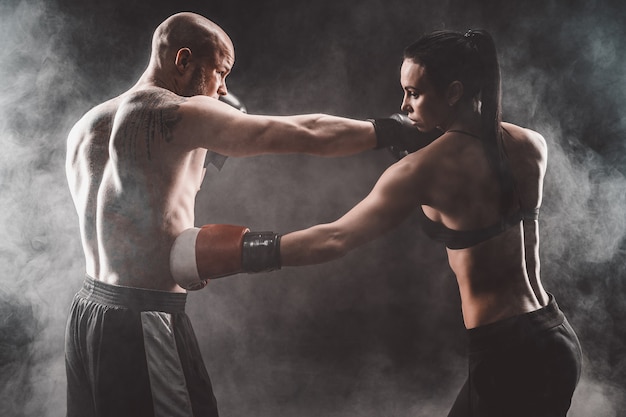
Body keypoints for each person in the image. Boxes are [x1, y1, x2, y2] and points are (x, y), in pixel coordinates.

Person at [171, 30, 583, 417]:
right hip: (555, 336)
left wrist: (239, 253)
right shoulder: (531, 144)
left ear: (454, 92)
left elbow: (335, 238)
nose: (404, 106)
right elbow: (481, 173)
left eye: (414, 93)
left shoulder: (420, 172)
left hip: (507, 357)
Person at [64, 11, 428, 417]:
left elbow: (140, 208)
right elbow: (305, 132)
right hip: (143, 321)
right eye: (220, 72)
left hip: (87, 314)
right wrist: (390, 129)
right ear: (184, 62)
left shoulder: (88, 125)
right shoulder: (181, 114)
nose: (223, 88)